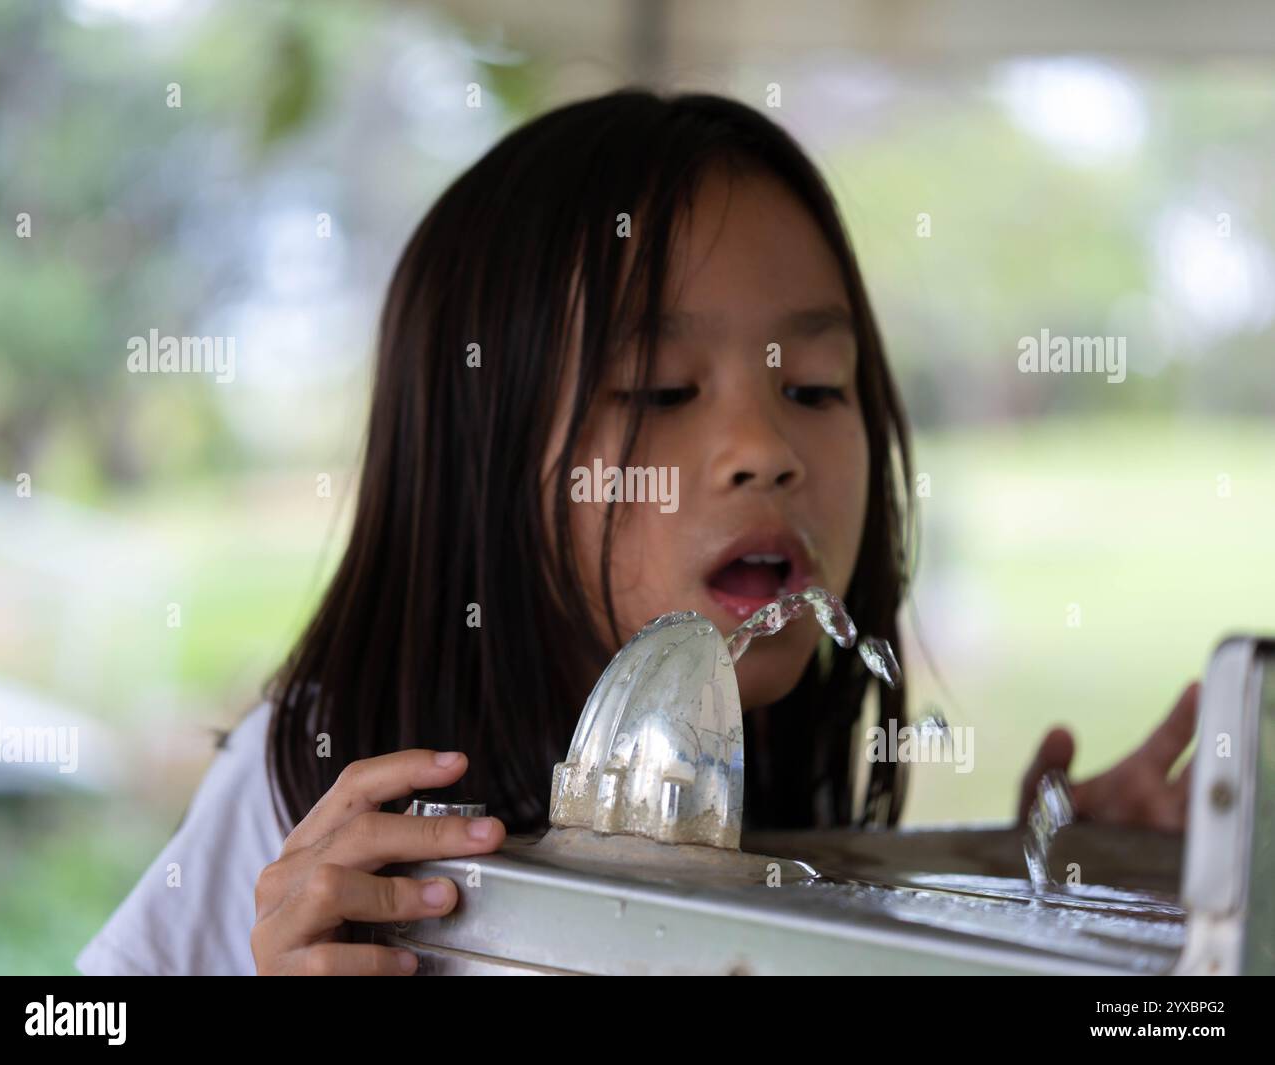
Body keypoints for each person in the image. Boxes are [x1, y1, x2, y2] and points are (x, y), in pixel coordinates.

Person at [75, 90, 1197, 977]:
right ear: (476, 459)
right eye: (661, 390)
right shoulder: (324, 794)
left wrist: (1063, 890)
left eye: (812, 386)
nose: (763, 448)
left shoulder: (770, 814)